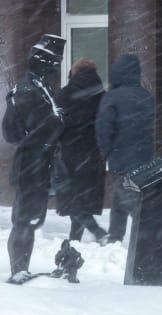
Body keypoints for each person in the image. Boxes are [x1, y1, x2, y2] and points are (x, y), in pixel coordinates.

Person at [2, 34, 66, 284]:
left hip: (38, 163)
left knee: (30, 218)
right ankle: (19, 269)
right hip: (32, 164)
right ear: (42, 61)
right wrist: (55, 123)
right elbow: (16, 133)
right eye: (53, 62)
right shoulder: (29, 88)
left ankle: (21, 266)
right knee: (25, 220)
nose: (55, 67)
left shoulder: (37, 86)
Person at [95, 53, 155, 243]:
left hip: (121, 157)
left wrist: (104, 153)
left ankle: (145, 240)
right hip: (143, 156)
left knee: (129, 199)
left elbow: (104, 129)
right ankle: (114, 236)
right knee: (120, 198)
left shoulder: (112, 97)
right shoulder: (146, 96)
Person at [54, 58, 108, 245]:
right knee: (83, 197)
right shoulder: (101, 94)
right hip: (94, 153)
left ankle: (97, 231)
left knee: (73, 198)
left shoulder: (66, 93)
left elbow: (56, 123)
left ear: (74, 72)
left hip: (70, 153)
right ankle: (75, 240)